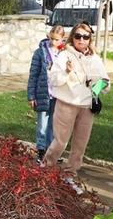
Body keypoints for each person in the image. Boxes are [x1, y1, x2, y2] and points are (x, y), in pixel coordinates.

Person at [42, 22, 109, 178]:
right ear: (73, 37)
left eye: (86, 37)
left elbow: (106, 82)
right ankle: (45, 169)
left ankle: (70, 174)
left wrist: (95, 87)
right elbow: (53, 80)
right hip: (66, 104)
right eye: (78, 36)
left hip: (86, 106)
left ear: (90, 39)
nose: (82, 40)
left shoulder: (95, 59)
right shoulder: (64, 55)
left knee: (80, 145)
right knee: (60, 142)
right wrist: (66, 71)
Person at [27, 25, 65, 162]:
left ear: (62, 39)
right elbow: (33, 75)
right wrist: (31, 96)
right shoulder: (40, 52)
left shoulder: (64, 53)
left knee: (54, 125)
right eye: (51, 38)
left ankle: (52, 150)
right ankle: (41, 150)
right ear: (48, 35)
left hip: (58, 95)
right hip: (43, 93)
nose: (53, 42)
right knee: (42, 124)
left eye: (57, 40)